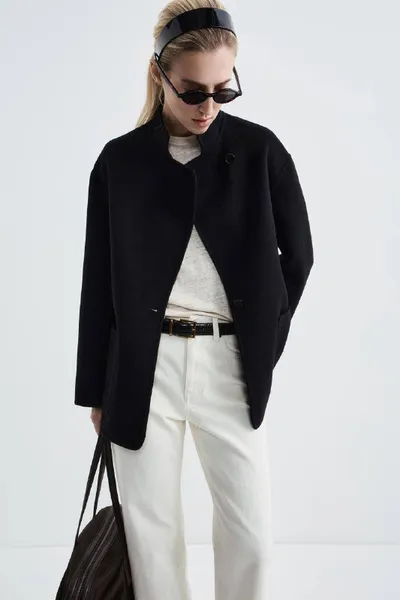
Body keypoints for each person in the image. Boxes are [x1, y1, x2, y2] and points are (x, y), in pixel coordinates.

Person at [75, 0, 314, 598]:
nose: (208, 106)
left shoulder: (261, 152)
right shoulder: (120, 162)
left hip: (230, 361)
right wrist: (95, 389)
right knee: (151, 538)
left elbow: (299, 258)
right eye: (192, 91)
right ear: (160, 75)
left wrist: (261, 345)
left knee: (251, 536)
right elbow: (97, 282)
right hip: (142, 367)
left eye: (223, 91)